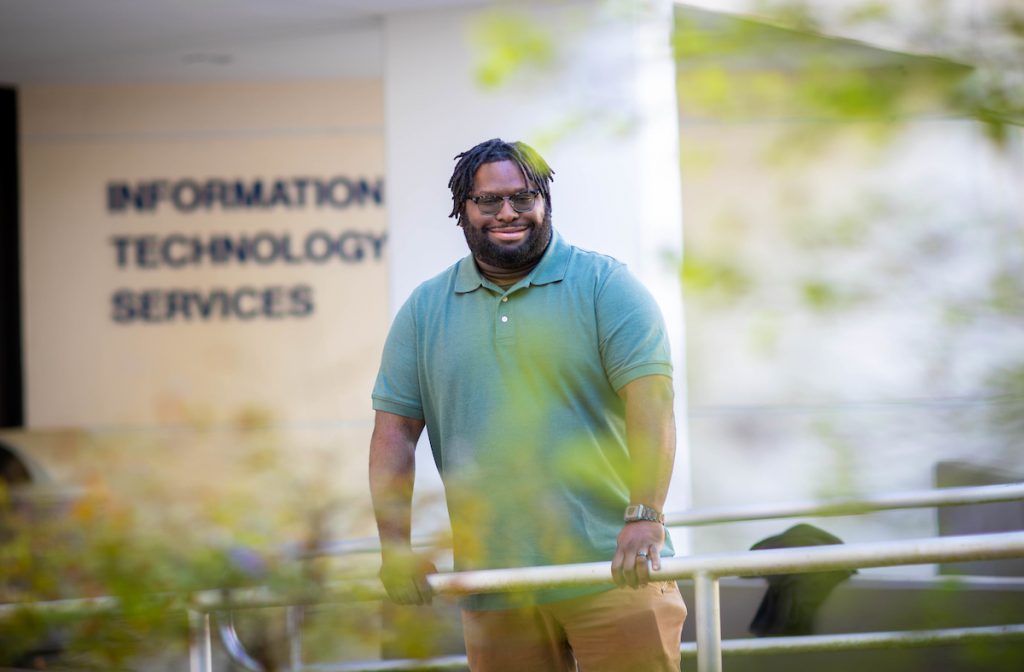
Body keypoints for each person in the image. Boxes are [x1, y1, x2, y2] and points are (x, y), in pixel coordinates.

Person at [369, 138, 686, 672]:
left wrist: (644, 513)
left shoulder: (605, 286)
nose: (507, 213)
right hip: (496, 584)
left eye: (523, 197)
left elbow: (652, 404)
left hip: (613, 566)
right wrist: (395, 546)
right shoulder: (425, 310)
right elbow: (393, 434)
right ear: (462, 210)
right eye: (488, 201)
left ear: (545, 200)